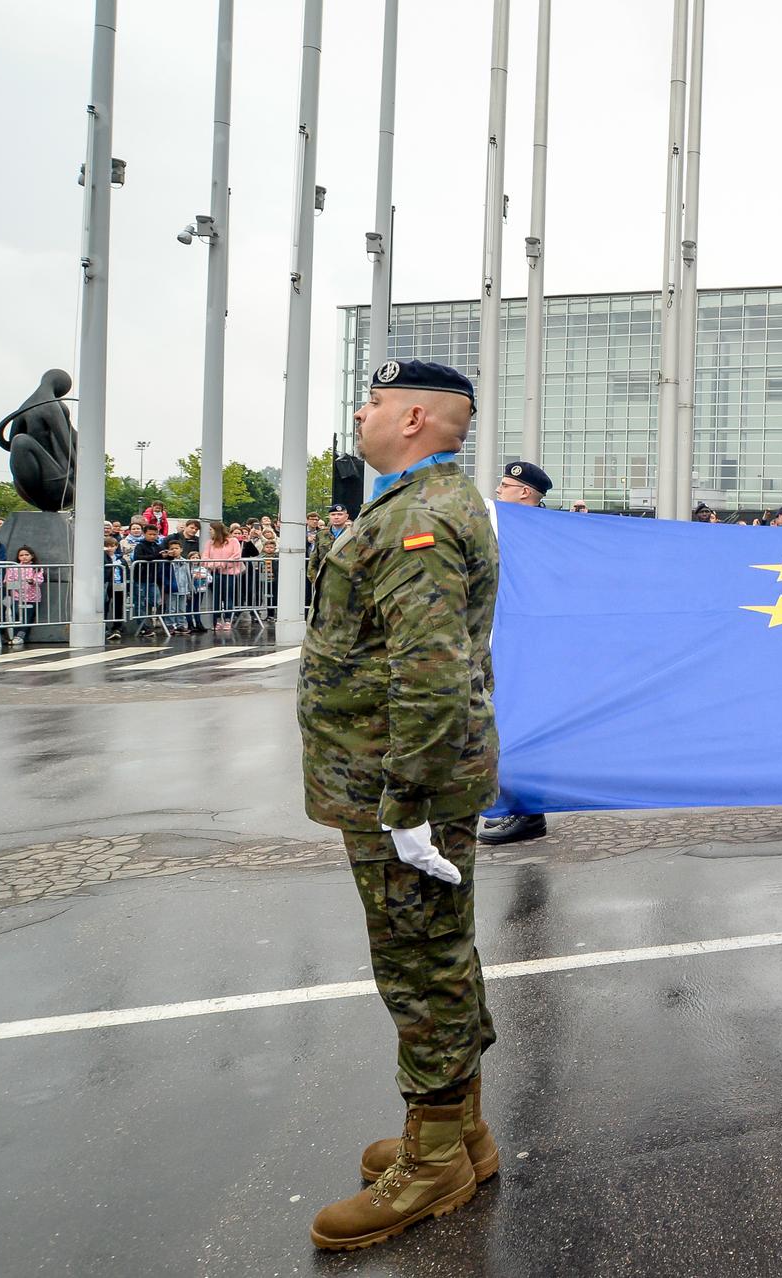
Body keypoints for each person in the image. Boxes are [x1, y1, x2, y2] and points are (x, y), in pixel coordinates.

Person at [300, 357, 501, 1250]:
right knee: (438, 949)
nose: (363, 413)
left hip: (401, 787)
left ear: (415, 418)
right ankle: (463, 1130)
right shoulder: (419, 502)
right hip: (399, 780)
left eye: (375, 402)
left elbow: (430, 675)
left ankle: (434, 1162)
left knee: (419, 966)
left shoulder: (419, 517)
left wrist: (409, 801)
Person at [481, 461, 554, 847]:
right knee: (506, 722)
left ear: (525, 492)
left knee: (523, 724)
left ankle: (528, 812)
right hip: (507, 637)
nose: (498, 490)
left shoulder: (547, 533)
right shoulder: (501, 528)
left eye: (505, 485)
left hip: (533, 645)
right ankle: (522, 808)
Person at [202, 522, 244, 633]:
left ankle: (228, 620)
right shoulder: (209, 543)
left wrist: (223, 564)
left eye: (211, 529)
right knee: (216, 597)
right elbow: (205, 558)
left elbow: (236, 556)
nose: (209, 532)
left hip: (229, 573)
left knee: (228, 596)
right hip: (215, 573)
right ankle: (216, 621)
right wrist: (217, 564)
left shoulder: (233, 541)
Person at [4, 547, 43, 645]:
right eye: (21, 555)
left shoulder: (37, 567)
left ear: (32, 556)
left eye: (27, 555)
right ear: (18, 557)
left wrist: (32, 581)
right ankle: (15, 635)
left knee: (27, 617)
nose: (24, 557)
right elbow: (8, 580)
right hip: (17, 597)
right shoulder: (13, 567)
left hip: (32, 598)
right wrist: (16, 588)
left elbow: (39, 579)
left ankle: (20, 636)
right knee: (16, 615)